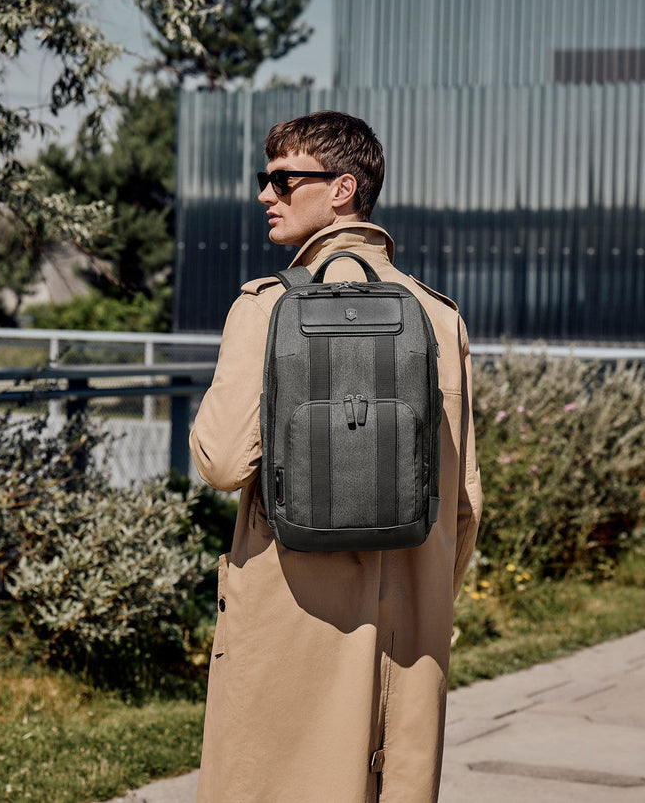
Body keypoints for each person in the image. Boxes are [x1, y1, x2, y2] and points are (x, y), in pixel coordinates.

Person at [189, 110, 483, 802]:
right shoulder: (439, 315)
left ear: (342, 187)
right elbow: (465, 502)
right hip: (409, 622)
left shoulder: (263, 308)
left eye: (283, 179)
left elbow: (225, 463)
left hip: (292, 613)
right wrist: (423, 588)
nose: (266, 194)